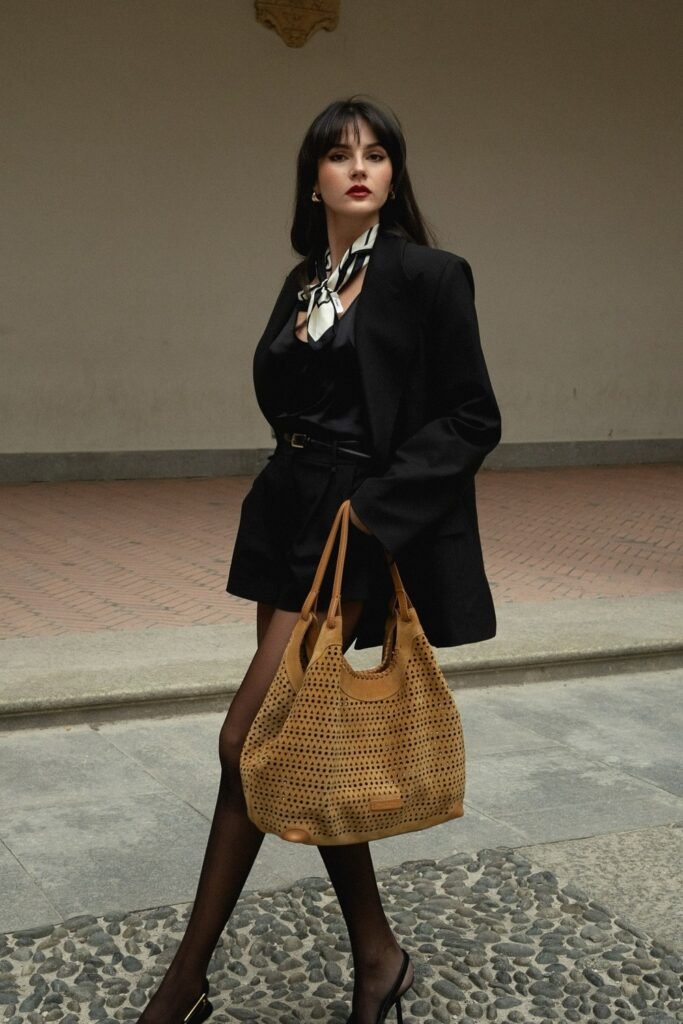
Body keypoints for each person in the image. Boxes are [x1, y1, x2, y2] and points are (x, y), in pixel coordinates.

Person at [138, 96, 500, 1024]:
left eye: (376, 153)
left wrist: (375, 512)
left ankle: (182, 987)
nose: (359, 167)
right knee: (301, 734)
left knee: (246, 740)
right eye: (340, 155)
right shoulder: (304, 283)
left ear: (393, 173)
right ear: (314, 180)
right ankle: (378, 957)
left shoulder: (427, 275)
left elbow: (472, 417)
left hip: (353, 529)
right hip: (286, 517)